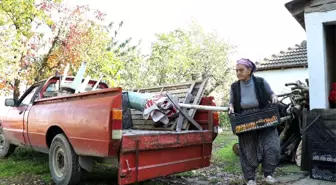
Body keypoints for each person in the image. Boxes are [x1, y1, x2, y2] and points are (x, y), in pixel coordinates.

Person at [229, 58, 280, 185]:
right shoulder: (234, 86)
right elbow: (231, 102)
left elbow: (271, 94)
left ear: (250, 70)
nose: (238, 73)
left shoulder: (260, 82)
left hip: (263, 116)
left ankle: (268, 174)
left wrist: (274, 97)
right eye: (236, 71)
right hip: (244, 118)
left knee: (271, 145)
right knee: (247, 148)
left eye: (241, 70)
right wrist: (230, 107)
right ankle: (250, 178)